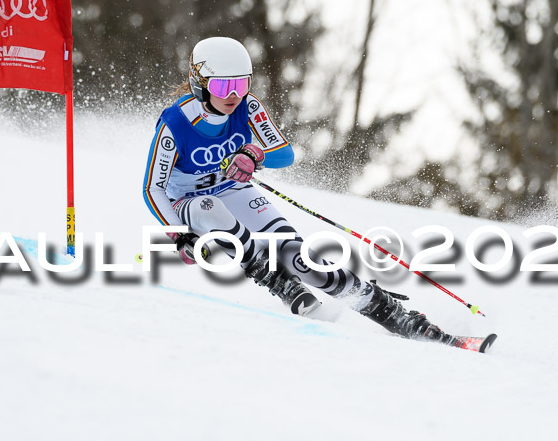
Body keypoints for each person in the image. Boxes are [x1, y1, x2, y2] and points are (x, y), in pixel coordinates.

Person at [143, 36, 456, 345]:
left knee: (299, 257)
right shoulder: (176, 124)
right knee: (207, 208)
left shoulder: (247, 106)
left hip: (233, 190)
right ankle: (279, 283)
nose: (234, 95)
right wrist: (181, 234)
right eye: (224, 86)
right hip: (188, 203)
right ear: (200, 83)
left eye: (242, 84)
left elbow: (285, 153)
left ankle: (393, 314)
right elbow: (152, 188)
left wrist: (255, 154)